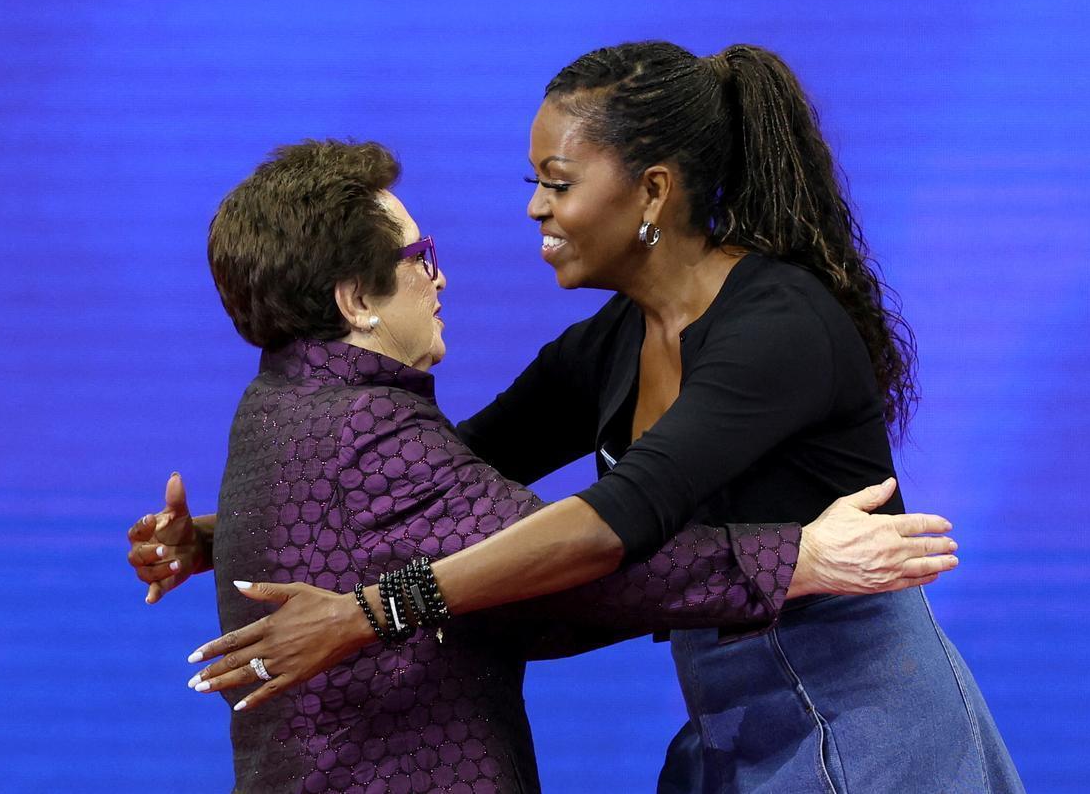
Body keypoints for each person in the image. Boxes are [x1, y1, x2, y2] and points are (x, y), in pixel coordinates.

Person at [128, 138, 958, 792]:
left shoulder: (284, 404)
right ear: (356, 300)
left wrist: (234, 535)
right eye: (420, 254)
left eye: (555, 183)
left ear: (652, 191)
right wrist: (799, 557)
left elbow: (493, 538)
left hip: (850, 716)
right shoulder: (367, 428)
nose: (441, 270)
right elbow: (573, 562)